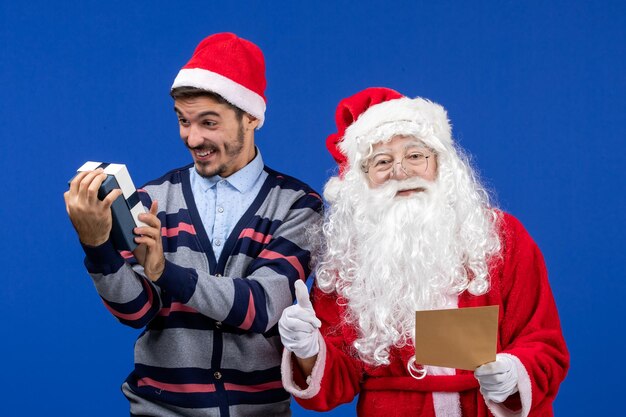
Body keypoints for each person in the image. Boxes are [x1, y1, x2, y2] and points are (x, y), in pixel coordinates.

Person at [64, 32, 322, 417]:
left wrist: (165, 272)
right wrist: (97, 246)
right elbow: (136, 311)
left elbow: (263, 306)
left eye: (209, 122)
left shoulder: (298, 204)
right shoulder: (153, 198)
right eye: (184, 121)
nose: (192, 137)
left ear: (251, 117)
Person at [278, 87, 569, 417]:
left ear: (441, 163)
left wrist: (513, 372)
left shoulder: (501, 237)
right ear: (362, 179)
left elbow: (544, 345)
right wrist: (308, 349)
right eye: (382, 161)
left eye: (415, 155)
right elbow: (335, 384)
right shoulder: (347, 258)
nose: (400, 172)